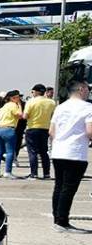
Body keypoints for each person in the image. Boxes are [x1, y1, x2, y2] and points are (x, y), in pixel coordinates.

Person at [49, 79, 92, 232]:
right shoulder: (88, 108)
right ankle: (62, 221)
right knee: (68, 188)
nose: (88, 91)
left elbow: (52, 132)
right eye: (88, 88)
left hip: (59, 151)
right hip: (75, 152)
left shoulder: (60, 107)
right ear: (81, 89)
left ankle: (57, 219)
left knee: (59, 186)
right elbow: (90, 131)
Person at [24, 83, 55, 179]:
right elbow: (53, 116)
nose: (32, 93)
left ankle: (34, 173)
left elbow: (25, 116)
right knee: (44, 152)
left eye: (33, 91)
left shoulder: (31, 102)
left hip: (32, 128)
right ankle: (46, 173)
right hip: (45, 128)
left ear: (36, 92)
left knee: (32, 152)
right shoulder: (51, 102)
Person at [0, 90, 24, 178]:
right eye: (18, 97)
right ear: (13, 98)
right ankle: (7, 172)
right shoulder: (14, 105)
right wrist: (20, 105)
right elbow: (20, 115)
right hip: (9, 129)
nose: (19, 99)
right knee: (10, 151)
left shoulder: (4, 106)